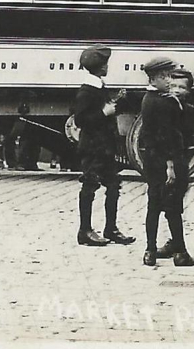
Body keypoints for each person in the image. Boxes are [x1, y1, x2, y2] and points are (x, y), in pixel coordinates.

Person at [74, 46, 135, 247]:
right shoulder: (87, 90)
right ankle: (85, 230)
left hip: (104, 147)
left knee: (113, 185)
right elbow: (81, 120)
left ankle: (111, 228)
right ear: (100, 67)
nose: (107, 67)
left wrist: (118, 102)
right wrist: (105, 113)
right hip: (93, 148)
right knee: (90, 186)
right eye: (105, 64)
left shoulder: (97, 86)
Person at [138, 57, 194, 267]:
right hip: (168, 161)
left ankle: (150, 251)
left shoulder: (147, 99)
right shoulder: (166, 102)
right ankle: (180, 252)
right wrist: (171, 165)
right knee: (173, 207)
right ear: (155, 78)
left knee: (153, 205)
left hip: (152, 160)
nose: (169, 81)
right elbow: (169, 136)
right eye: (166, 77)